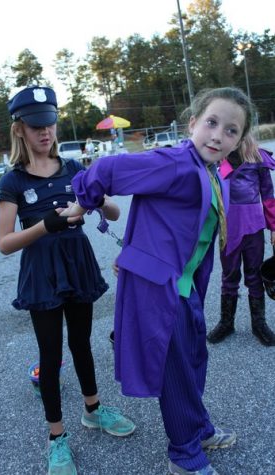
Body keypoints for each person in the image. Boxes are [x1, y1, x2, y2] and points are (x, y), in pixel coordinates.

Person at [61, 87, 255, 475]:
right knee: (177, 370)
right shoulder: (176, 162)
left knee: (195, 360)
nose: (219, 135)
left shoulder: (210, 170)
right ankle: (184, 457)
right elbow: (106, 170)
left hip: (184, 288)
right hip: (159, 289)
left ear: (239, 139)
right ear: (192, 123)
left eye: (231, 130)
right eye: (212, 123)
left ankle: (198, 429)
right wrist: (82, 203)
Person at [0, 85, 135, 475]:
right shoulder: (13, 182)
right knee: (51, 356)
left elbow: (113, 212)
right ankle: (56, 437)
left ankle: (93, 410)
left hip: (77, 265)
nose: (45, 132)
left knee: (82, 344)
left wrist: (97, 200)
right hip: (42, 274)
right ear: (20, 129)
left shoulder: (75, 168)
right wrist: (46, 224)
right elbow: (5, 243)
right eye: (36, 126)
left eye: (50, 124)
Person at [207, 134, 275, 346]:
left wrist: (274, 226)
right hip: (228, 230)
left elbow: (269, 196)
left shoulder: (258, 157)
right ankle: (226, 323)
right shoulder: (215, 157)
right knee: (229, 276)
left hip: (253, 228)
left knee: (255, 275)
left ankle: (259, 324)